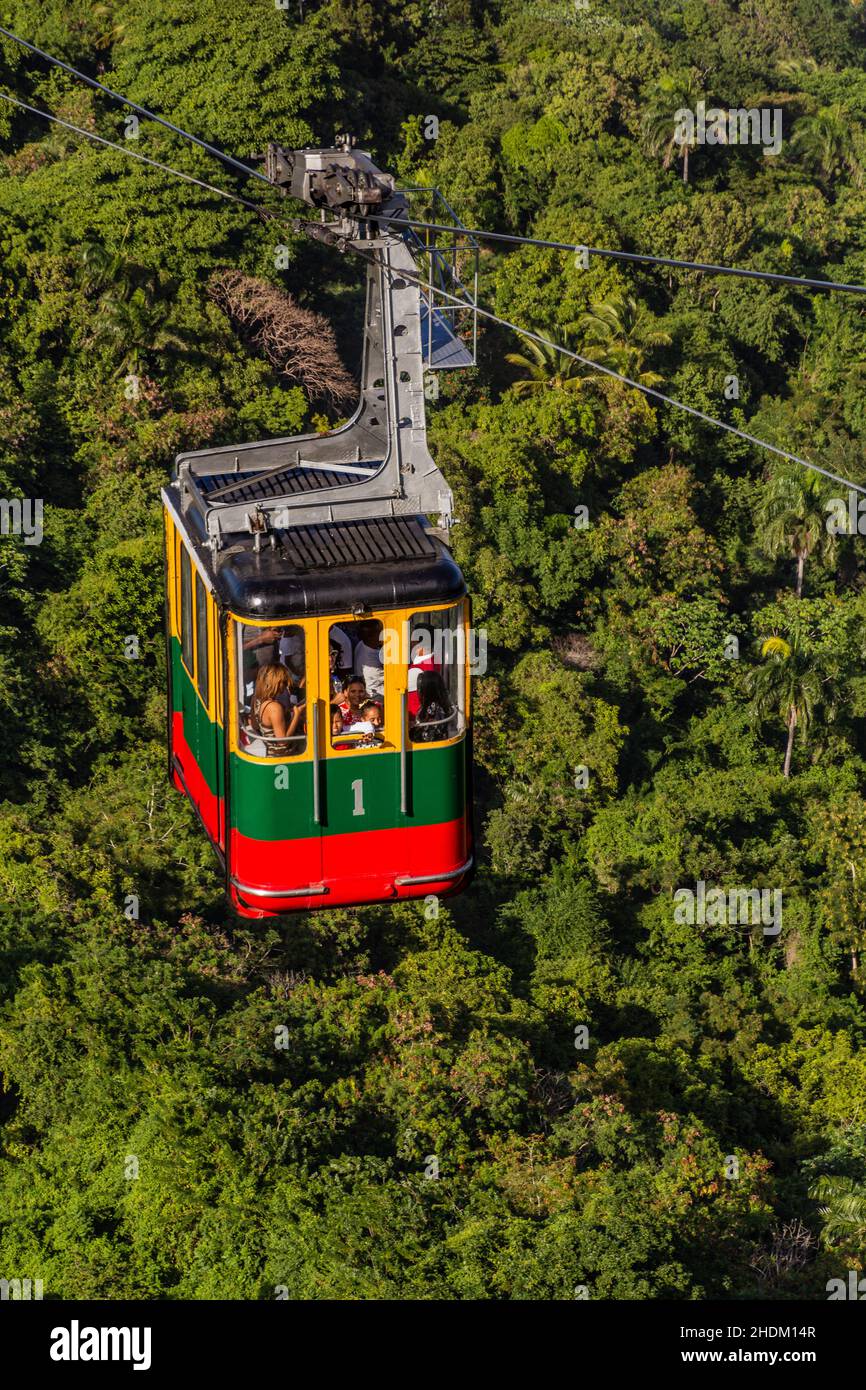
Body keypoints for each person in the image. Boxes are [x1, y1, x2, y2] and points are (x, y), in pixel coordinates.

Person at [250, 663, 305, 753]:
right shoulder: (274, 707)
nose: (286, 685)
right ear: (275, 682)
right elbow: (283, 742)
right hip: (284, 757)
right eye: (283, 681)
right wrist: (296, 715)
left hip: (271, 752)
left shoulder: (257, 699)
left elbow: (256, 725)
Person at [411, 670, 452, 743]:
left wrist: (411, 730)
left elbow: (427, 737)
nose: (418, 692)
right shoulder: (431, 706)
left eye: (420, 689)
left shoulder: (434, 710)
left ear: (428, 690)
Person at [353, 620, 384, 698]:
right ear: (370, 637)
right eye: (380, 633)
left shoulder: (362, 643)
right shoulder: (370, 663)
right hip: (377, 696)